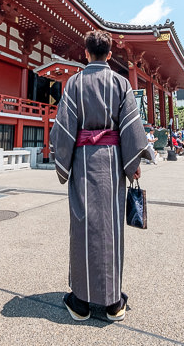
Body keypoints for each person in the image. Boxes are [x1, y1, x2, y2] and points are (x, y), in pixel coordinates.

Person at [50, 30, 153, 322]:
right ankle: (113, 303)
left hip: (82, 161)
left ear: (86, 53)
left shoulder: (75, 83)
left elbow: (64, 127)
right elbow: (132, 128)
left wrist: (63, 159)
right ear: (109, 55)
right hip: (112, 162)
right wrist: (133, 162)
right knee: (110, 227)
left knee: (83, 225)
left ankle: (81, 302)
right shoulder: (120, 83)